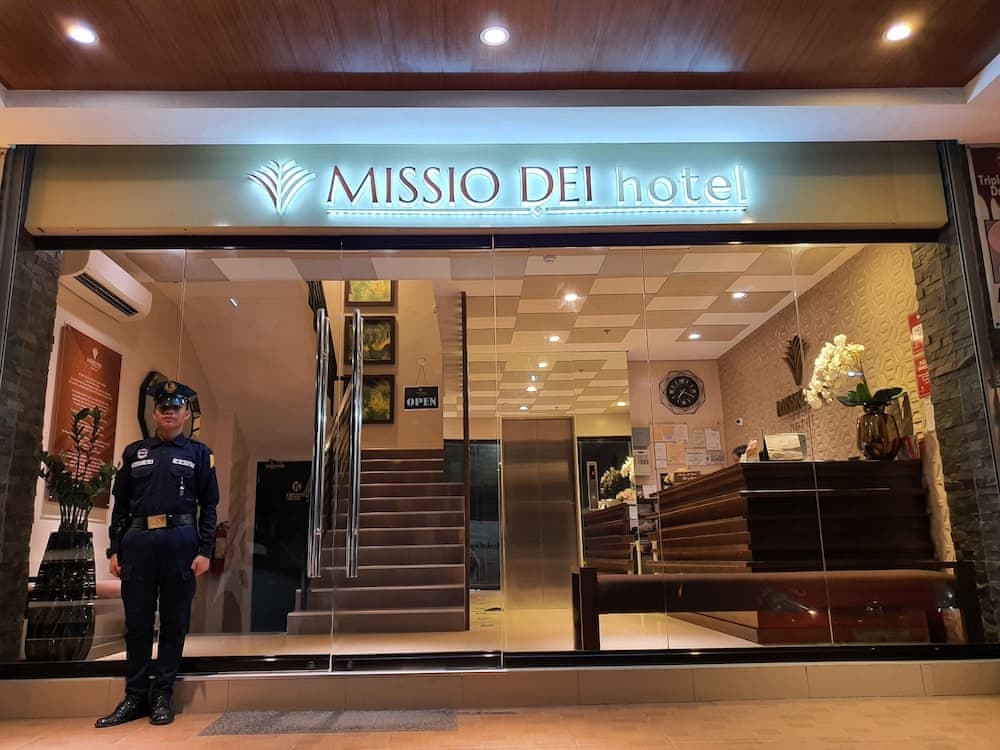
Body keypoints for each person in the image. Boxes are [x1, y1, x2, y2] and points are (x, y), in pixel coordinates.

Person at [95, 380, 219, 728]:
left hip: (180, 542)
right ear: (154, 413)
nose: (169, 412)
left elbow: (209, 505)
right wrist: (115, 548)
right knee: (137, 622)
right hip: (138, 543)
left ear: (186, 414)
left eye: (176, 407)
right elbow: (121, 505)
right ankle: (134, 696)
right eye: (163, 407)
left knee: (174, 621)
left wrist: (205, 550)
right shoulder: (135, 452)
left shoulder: (199, 454)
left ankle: (162, 694)